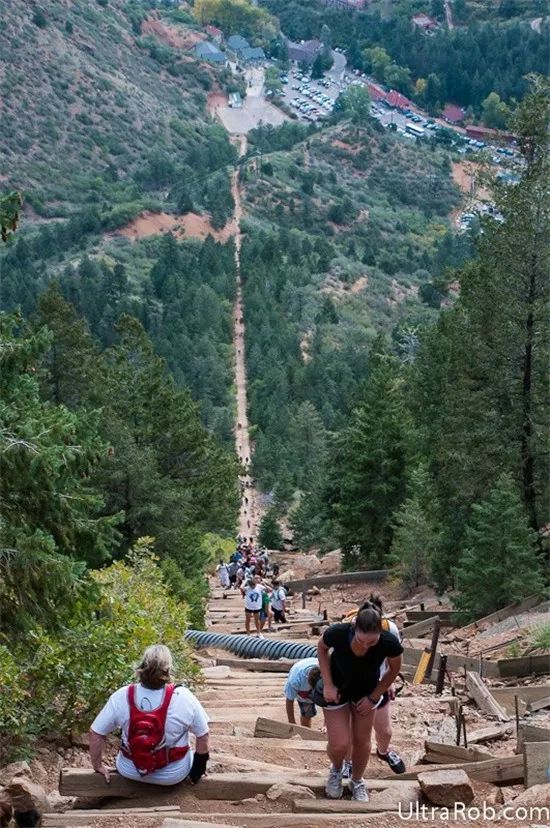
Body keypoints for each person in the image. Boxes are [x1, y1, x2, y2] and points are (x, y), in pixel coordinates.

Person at [89, 645, 210, 786]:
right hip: (173, 775)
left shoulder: (122, 695)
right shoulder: (184, 697)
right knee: (187, 742)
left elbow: (95, 733)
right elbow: (203, 736)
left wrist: (97, 766)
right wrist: (197, 771)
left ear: (141, 667)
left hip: (130, 771)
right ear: (168, 670)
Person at [317, 606, 403, 802]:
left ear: (380, 633)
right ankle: (337, 770)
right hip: (338, 688)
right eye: (361, 640)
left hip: (366, 690)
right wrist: (328, 684)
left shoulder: (389, 642)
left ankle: (357, 780)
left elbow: (394, 670)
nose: (365, 646)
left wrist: (374, 696)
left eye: (371, 642)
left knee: (362, 740)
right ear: (354, 629)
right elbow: (321, 648)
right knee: (339, 744)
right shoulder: (338, 633)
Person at [284, 657, 320, 727]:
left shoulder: (326, 676)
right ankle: (306, 731)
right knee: (307, 713)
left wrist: (326, 725)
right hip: (303, 691)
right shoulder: (295, 681)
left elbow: (327, 704)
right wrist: (292, 723)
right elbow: (289, 700)